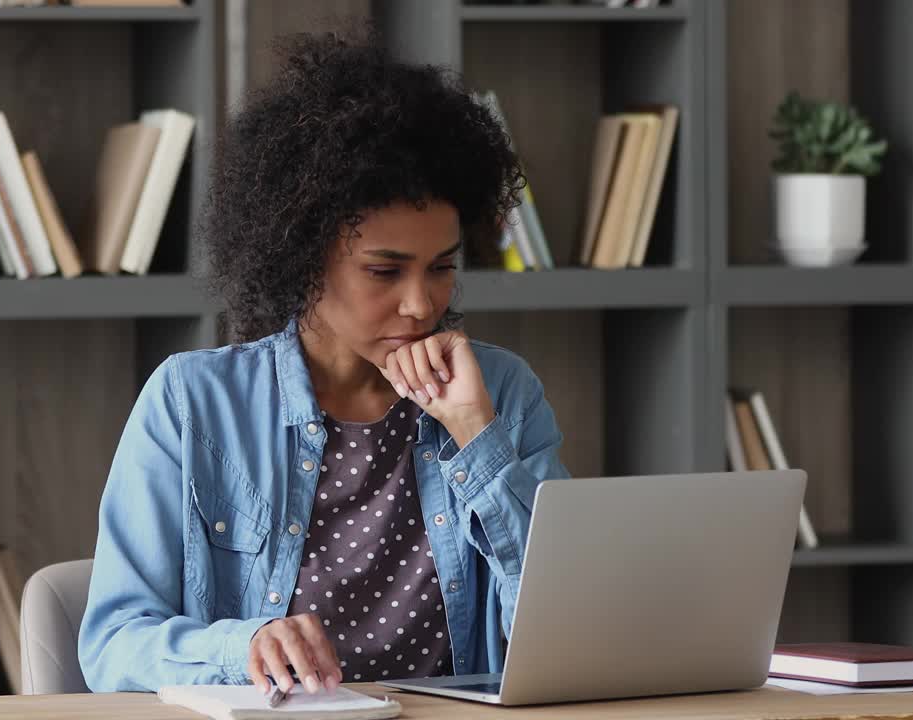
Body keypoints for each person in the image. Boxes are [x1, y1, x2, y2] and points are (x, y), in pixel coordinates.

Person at [77, 27, 569, 695]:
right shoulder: (192, 403)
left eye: (442, 267)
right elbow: (112, 646)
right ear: (304, 257)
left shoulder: (502, 392)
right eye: (383, 271)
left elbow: (560, 636)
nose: (420, 304)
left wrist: (479, 443)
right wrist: (241, 646)